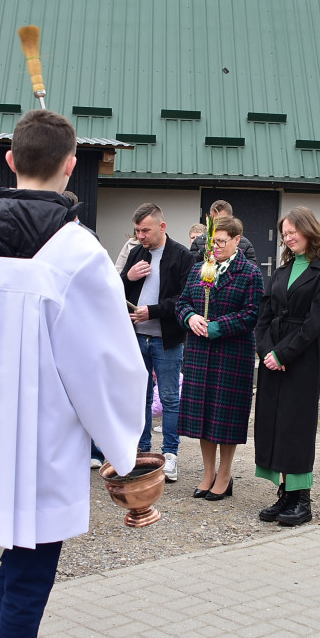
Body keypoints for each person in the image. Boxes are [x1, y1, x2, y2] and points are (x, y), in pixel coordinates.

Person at [0, 109, 146, 638]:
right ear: (71, 166)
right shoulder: (75, 253)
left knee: (18, 562)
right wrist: (123, 449)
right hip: (42, 441)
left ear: (9, 160)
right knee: (30, 574)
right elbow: (107, 363)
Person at [254, 206, 320, 527]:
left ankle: (302, 499)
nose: (288, 238)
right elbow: (265, 314)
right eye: (285, 233)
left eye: (293, 232)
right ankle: (285, 492)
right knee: (274, 423)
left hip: (300, 357)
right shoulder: (281, 270)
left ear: (309, 230)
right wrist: (265, 351)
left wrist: (283, 354)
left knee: (295, 425)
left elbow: (315, 323)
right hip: (273, 356)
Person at [176, 214, 263, 501]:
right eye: (212, 241)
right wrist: (189, 318)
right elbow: (182, 302)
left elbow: (252, 314)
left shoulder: (250, 273)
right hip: (200, 353)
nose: (215, 247)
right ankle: (207, 472)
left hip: (232, 353)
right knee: (203, 414)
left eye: (221, 242)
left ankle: (225, 474)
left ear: (237, 240)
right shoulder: (200, 268)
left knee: (225, 417)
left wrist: (217, 327)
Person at [121, 203, 197, 482]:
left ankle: (170, 455)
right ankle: (142, 452)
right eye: (137, 230)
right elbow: (116, 290)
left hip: (167, 339)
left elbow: (185, 299)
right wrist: (127, 277)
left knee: (168, 397)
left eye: (146, 230)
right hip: (137, 338)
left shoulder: (181, 256)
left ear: (162, 227)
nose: (141, 236)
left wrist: (151, 311)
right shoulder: (135, 253)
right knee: (139, 396)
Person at [189, 200, 257, 263]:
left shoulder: (245, 243)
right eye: (213, 219)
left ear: (231, 218)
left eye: (222, 219)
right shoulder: (199, 241)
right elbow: (191, 266)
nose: (216, 224)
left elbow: (250, 270)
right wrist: (204, 251)